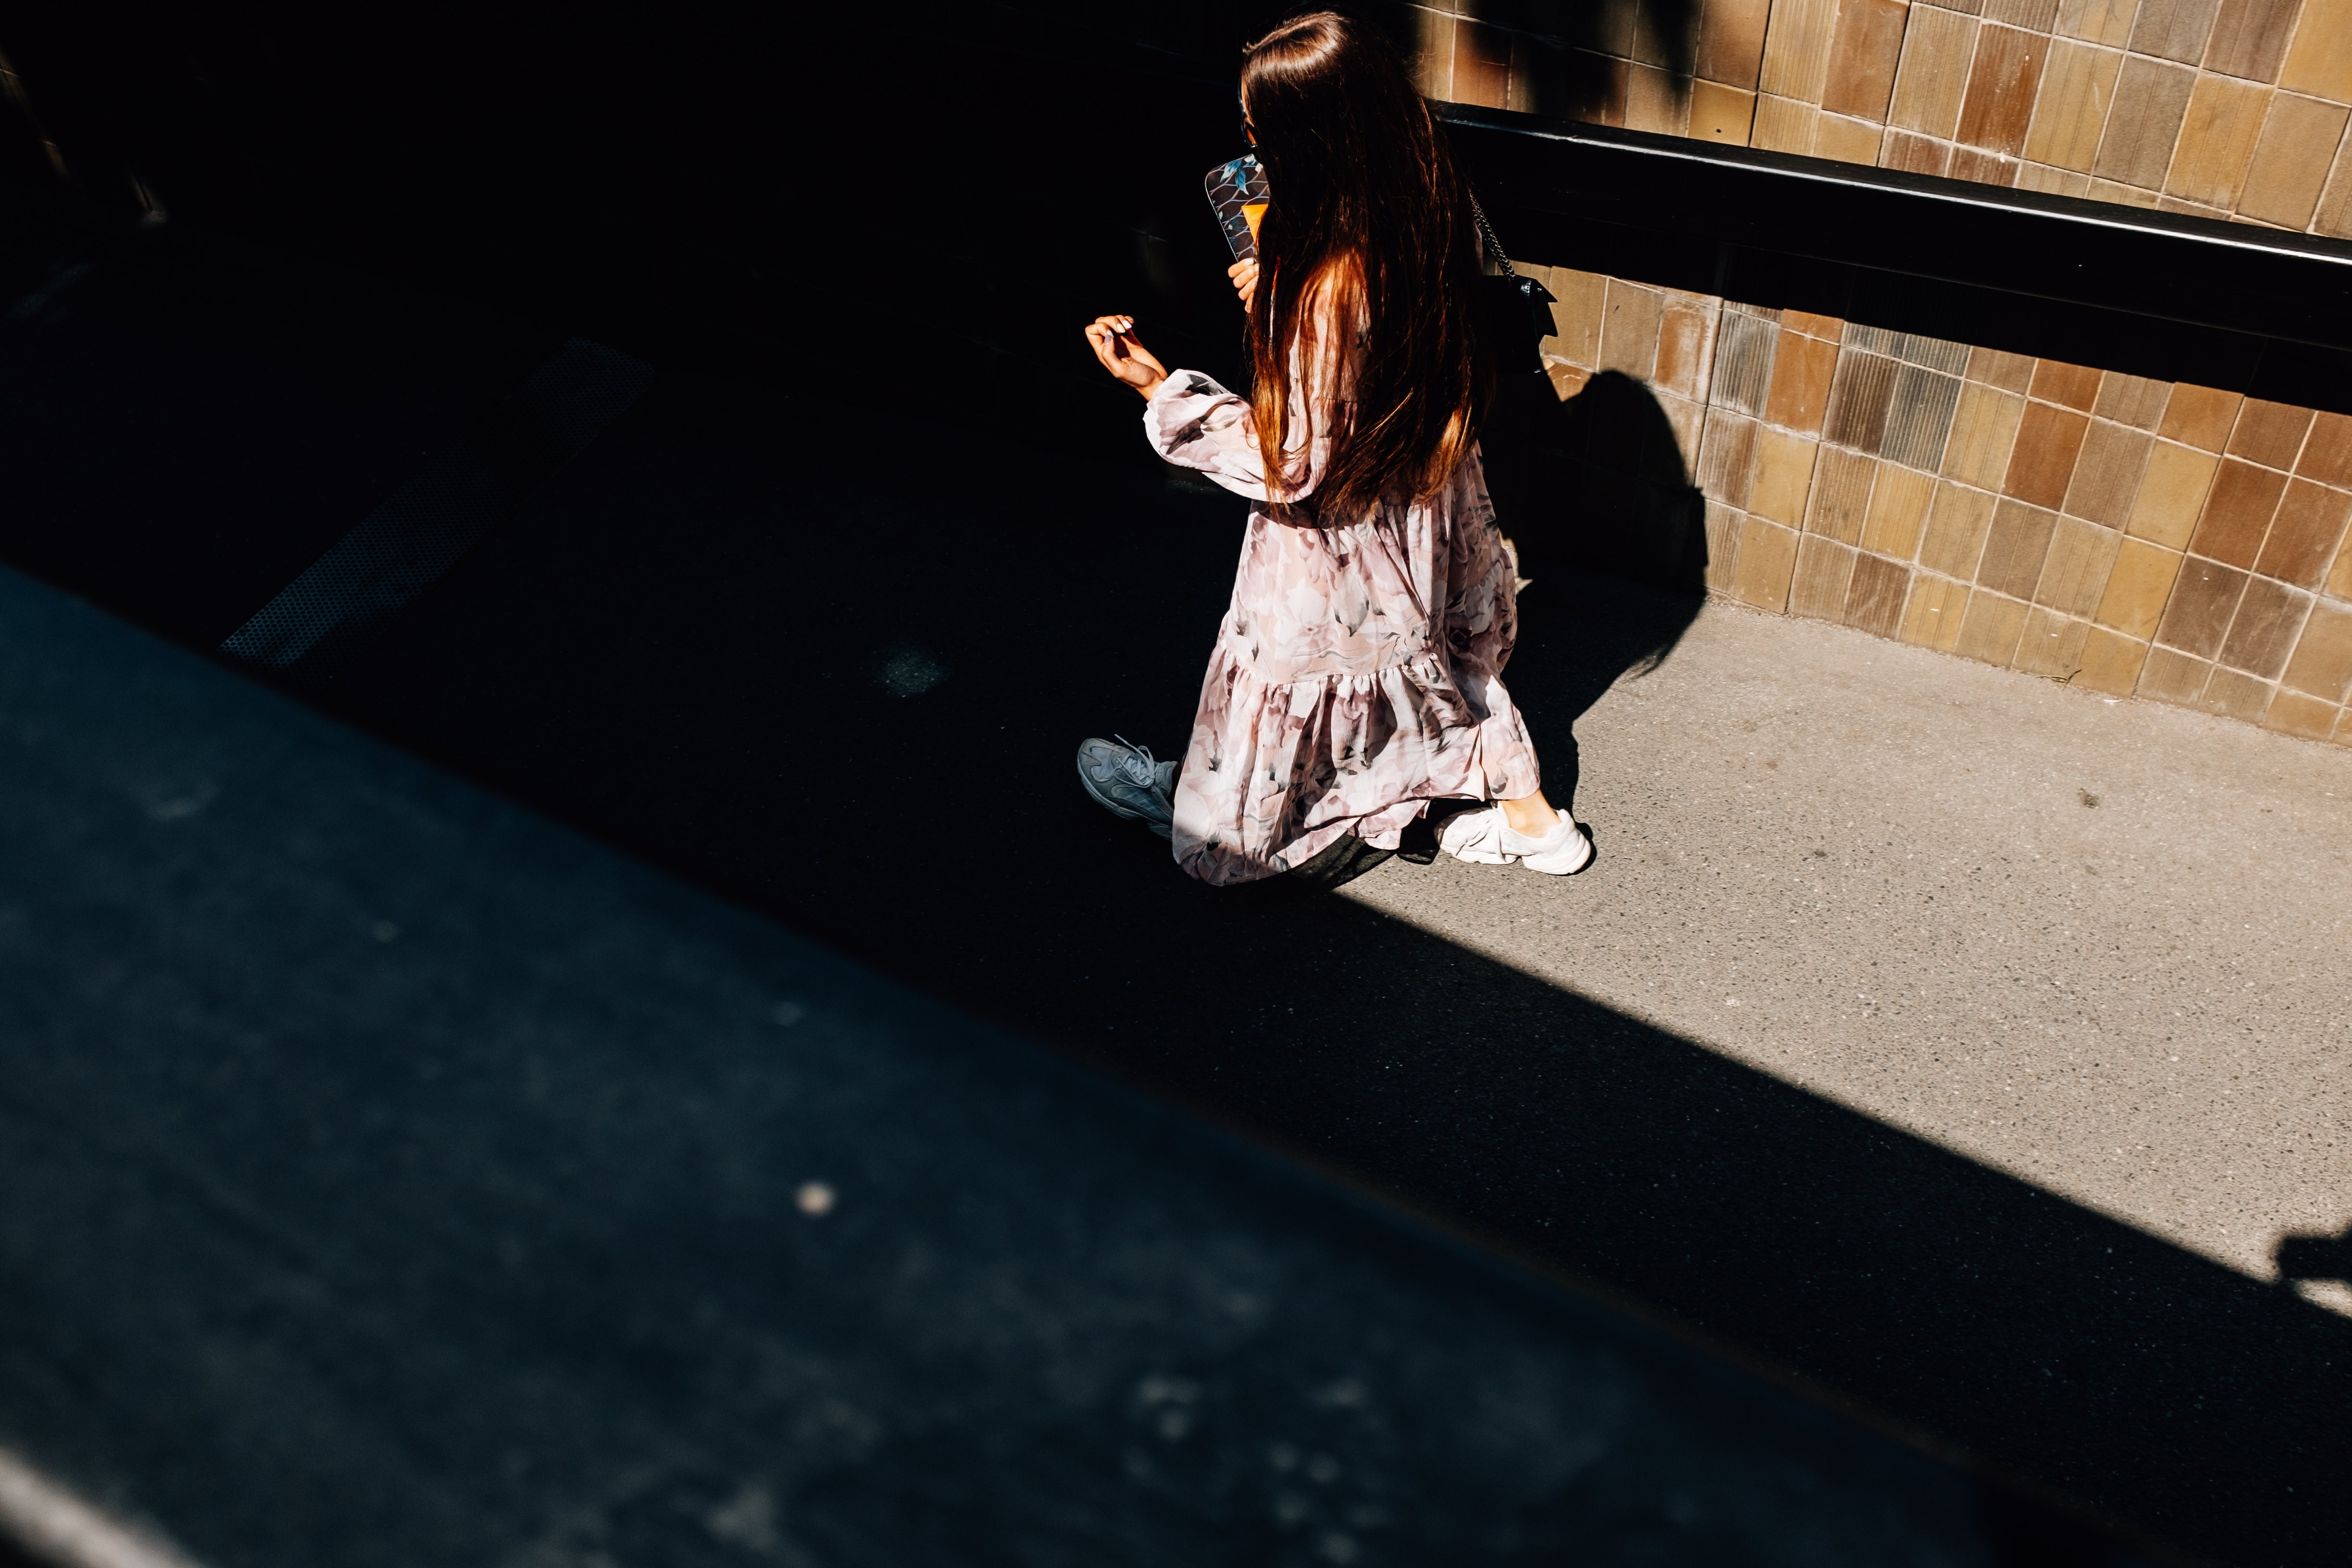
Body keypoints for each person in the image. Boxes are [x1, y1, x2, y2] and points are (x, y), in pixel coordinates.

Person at [1076, 11, 1589, 887]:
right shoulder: (1426, 200)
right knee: (1436, 655)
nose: (1249, 144)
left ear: (1308, 140)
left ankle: (1215, 814)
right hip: (1426, 497)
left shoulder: (1320, 289)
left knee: (1264, 742)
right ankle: (1529, 821)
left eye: (1259, 130)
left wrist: (1162, 391)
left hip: (1337, 535)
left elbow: (1294, 458)